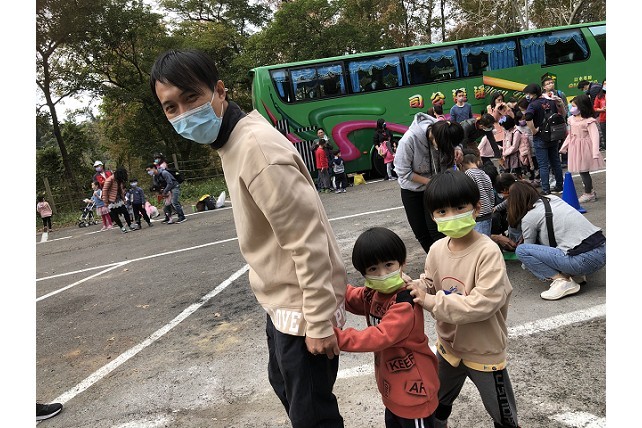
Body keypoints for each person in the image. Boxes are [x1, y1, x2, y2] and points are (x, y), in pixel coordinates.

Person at [150, 48, 347, 427]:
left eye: (191, 97)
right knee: (286, 388)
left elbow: (308, 240)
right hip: (283, 304)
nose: (184, 113)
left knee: (312, 416)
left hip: (303, 311)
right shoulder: (233, 142)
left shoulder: (256, 150)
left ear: (219, 91)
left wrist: (320, 322)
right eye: (171, 107)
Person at [406, 169, 520, 428]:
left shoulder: (487, 252)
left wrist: (430, 301)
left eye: (459, 208)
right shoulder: (436, 250)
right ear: (433, 216)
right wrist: (413, 286)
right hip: (448, 348)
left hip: (484, 351)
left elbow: (484, 303)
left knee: (504, 416)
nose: (451, 216)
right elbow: (429, 282)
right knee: (435, 405)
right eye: (442, 211)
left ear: (476, 208)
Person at [334, 227, 439, 427]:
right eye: (373, 269)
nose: (382, 274)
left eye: (389, 265)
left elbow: (380, 336)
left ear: (402, 263)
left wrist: (333, 337)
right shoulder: (373, 293)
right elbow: (350, 296)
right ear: (364, 273)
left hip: (415, 393)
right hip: (394, 391)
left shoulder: (405, 301)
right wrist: (328, 285)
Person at [507, 181, 606, 300]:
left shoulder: (529, 218)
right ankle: (573, 274)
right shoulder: (553, 198)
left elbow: (528, 250)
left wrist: (530, 266)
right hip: (602, 249)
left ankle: (562, 281)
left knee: (522, 251)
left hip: (582, 261)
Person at [393, 115, 461, 253]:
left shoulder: (444, 129)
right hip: (413, 190)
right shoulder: (409, 141)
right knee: (421, 232)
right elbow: (402, 172)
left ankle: (450, 257)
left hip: (436, 187)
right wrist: (430, 182)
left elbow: (455, 142)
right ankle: (435, 259)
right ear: (436, 139)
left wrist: (458, 148)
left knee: (439, 228)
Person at [559, 94, 605, 203]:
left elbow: (595, 137)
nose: (572, 108)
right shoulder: (571, 119)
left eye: (574, 106)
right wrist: (564, 147)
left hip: (585, 147)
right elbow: (570, 135)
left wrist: (595, 152)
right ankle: (589, 191)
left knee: (584, 171)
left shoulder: (589, 121)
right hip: (575, 147)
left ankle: (588, 193)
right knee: (581, 171)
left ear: (582, 107)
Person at [523, 83, 564, 195]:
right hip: (553, 135)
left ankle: (546, 189)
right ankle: (559, 185)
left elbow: (528, 117)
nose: (527, 96)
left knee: (543, 165)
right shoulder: (551, 102)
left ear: (533, 94)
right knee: (556, 162)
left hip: (540, 137)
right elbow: (560, 114)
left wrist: (533, 130)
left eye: (528, 94)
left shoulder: (533, 105)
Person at [460, 153, 494, 236]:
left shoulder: (468, 174)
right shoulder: (484, 174)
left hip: (478, 214)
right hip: (488, 212)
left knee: (479, 240)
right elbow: (491, 194)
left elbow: (469, 193)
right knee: (485, 238)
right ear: (477, 162)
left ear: (462, 164)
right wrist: (491, 206)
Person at [102, 166, 135, 233]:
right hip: (111, 200)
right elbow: (104, 191)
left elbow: (120, 190)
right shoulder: (109, 180)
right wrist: (105, 201)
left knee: (125, 212)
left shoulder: (119, 180)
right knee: (115, 215)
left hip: (119, 199)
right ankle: (122, 227)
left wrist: (124, 199)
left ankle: (130, 224)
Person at [499, 115, 530, 179]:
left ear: (507, 125)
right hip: (507, 154)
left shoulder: (516, 132)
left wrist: (505, 153)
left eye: (503, 126)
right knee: (506, 171)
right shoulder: (506, 131)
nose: (503, 127)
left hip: (515, 155)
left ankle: (519, 182)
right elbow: (504, 142)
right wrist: (504, 153)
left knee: (517, 171)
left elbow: (515, 147)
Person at [593, 81, 606, 150]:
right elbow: (595, 108)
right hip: (603, 119)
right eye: (605, 84)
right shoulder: (599, 96)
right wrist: (601, 109)